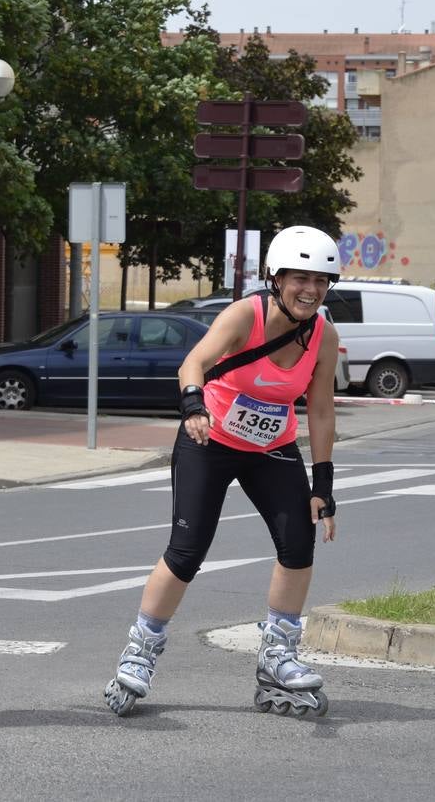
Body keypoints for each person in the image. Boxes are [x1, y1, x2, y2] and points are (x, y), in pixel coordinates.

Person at [104, 225, 342, 719]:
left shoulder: (323, 334)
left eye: (321, 281)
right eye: (300, 278)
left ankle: (278, 657)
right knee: (187, 550)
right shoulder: (245, 315)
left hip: (271, 446)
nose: (311, 290)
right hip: (208, 439)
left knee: (298, 544)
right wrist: (193, 407)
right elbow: (194, 362)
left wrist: (323, 483)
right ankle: (140, 652)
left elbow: (319, 410)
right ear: (276, 278)